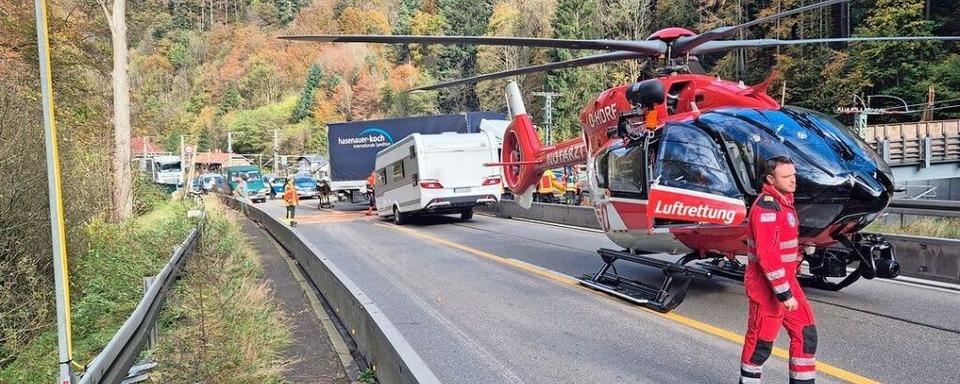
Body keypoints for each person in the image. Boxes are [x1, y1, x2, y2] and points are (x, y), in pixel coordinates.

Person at [740, 155, 817, 384]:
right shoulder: (767, 207)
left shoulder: (784, 203)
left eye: (794, 175)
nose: (793, 180)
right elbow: (767, 256)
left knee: (806, 335)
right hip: (766, 288)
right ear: (771, 180)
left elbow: (781, 247)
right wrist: (785, 294)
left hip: (787, 281)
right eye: (787, 176)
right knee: (760, 346)